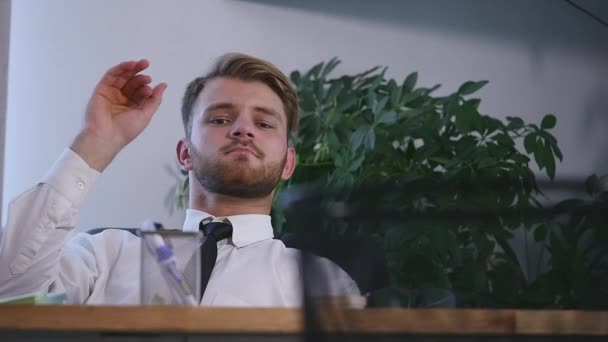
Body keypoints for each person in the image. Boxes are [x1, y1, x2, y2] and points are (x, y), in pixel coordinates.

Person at [0, 53, 359, 305]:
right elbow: (10, 290)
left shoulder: (322, 283)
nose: (242, 130)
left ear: (288, 163)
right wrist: (95, 142)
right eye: (220, 119)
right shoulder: (102, 256)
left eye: (264, 124)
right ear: (185, 153)